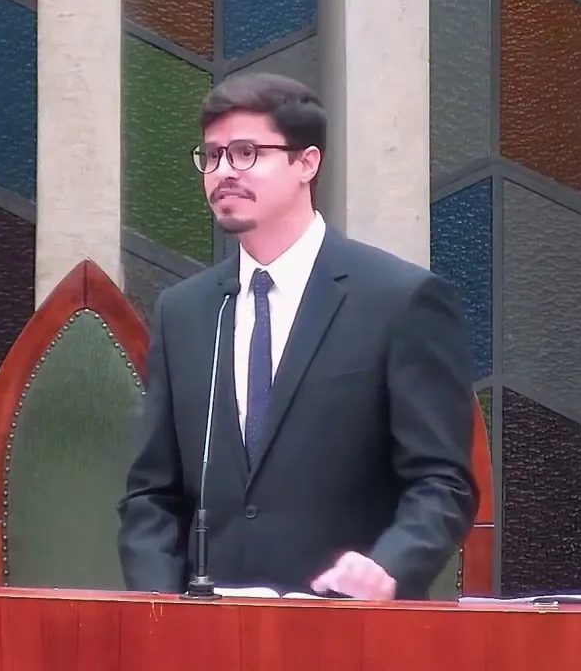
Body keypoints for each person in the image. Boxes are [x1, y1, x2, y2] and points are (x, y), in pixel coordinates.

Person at [116, 72, 479, 601]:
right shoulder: (185, 311)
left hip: (345, 624)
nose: (224, 172)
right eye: (212, 156)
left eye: (246, 153)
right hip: (203, 629)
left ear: (307, 162)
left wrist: (386, 566)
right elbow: (153, 494)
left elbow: (442, 483)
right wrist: (162, 608)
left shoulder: (399, 300)